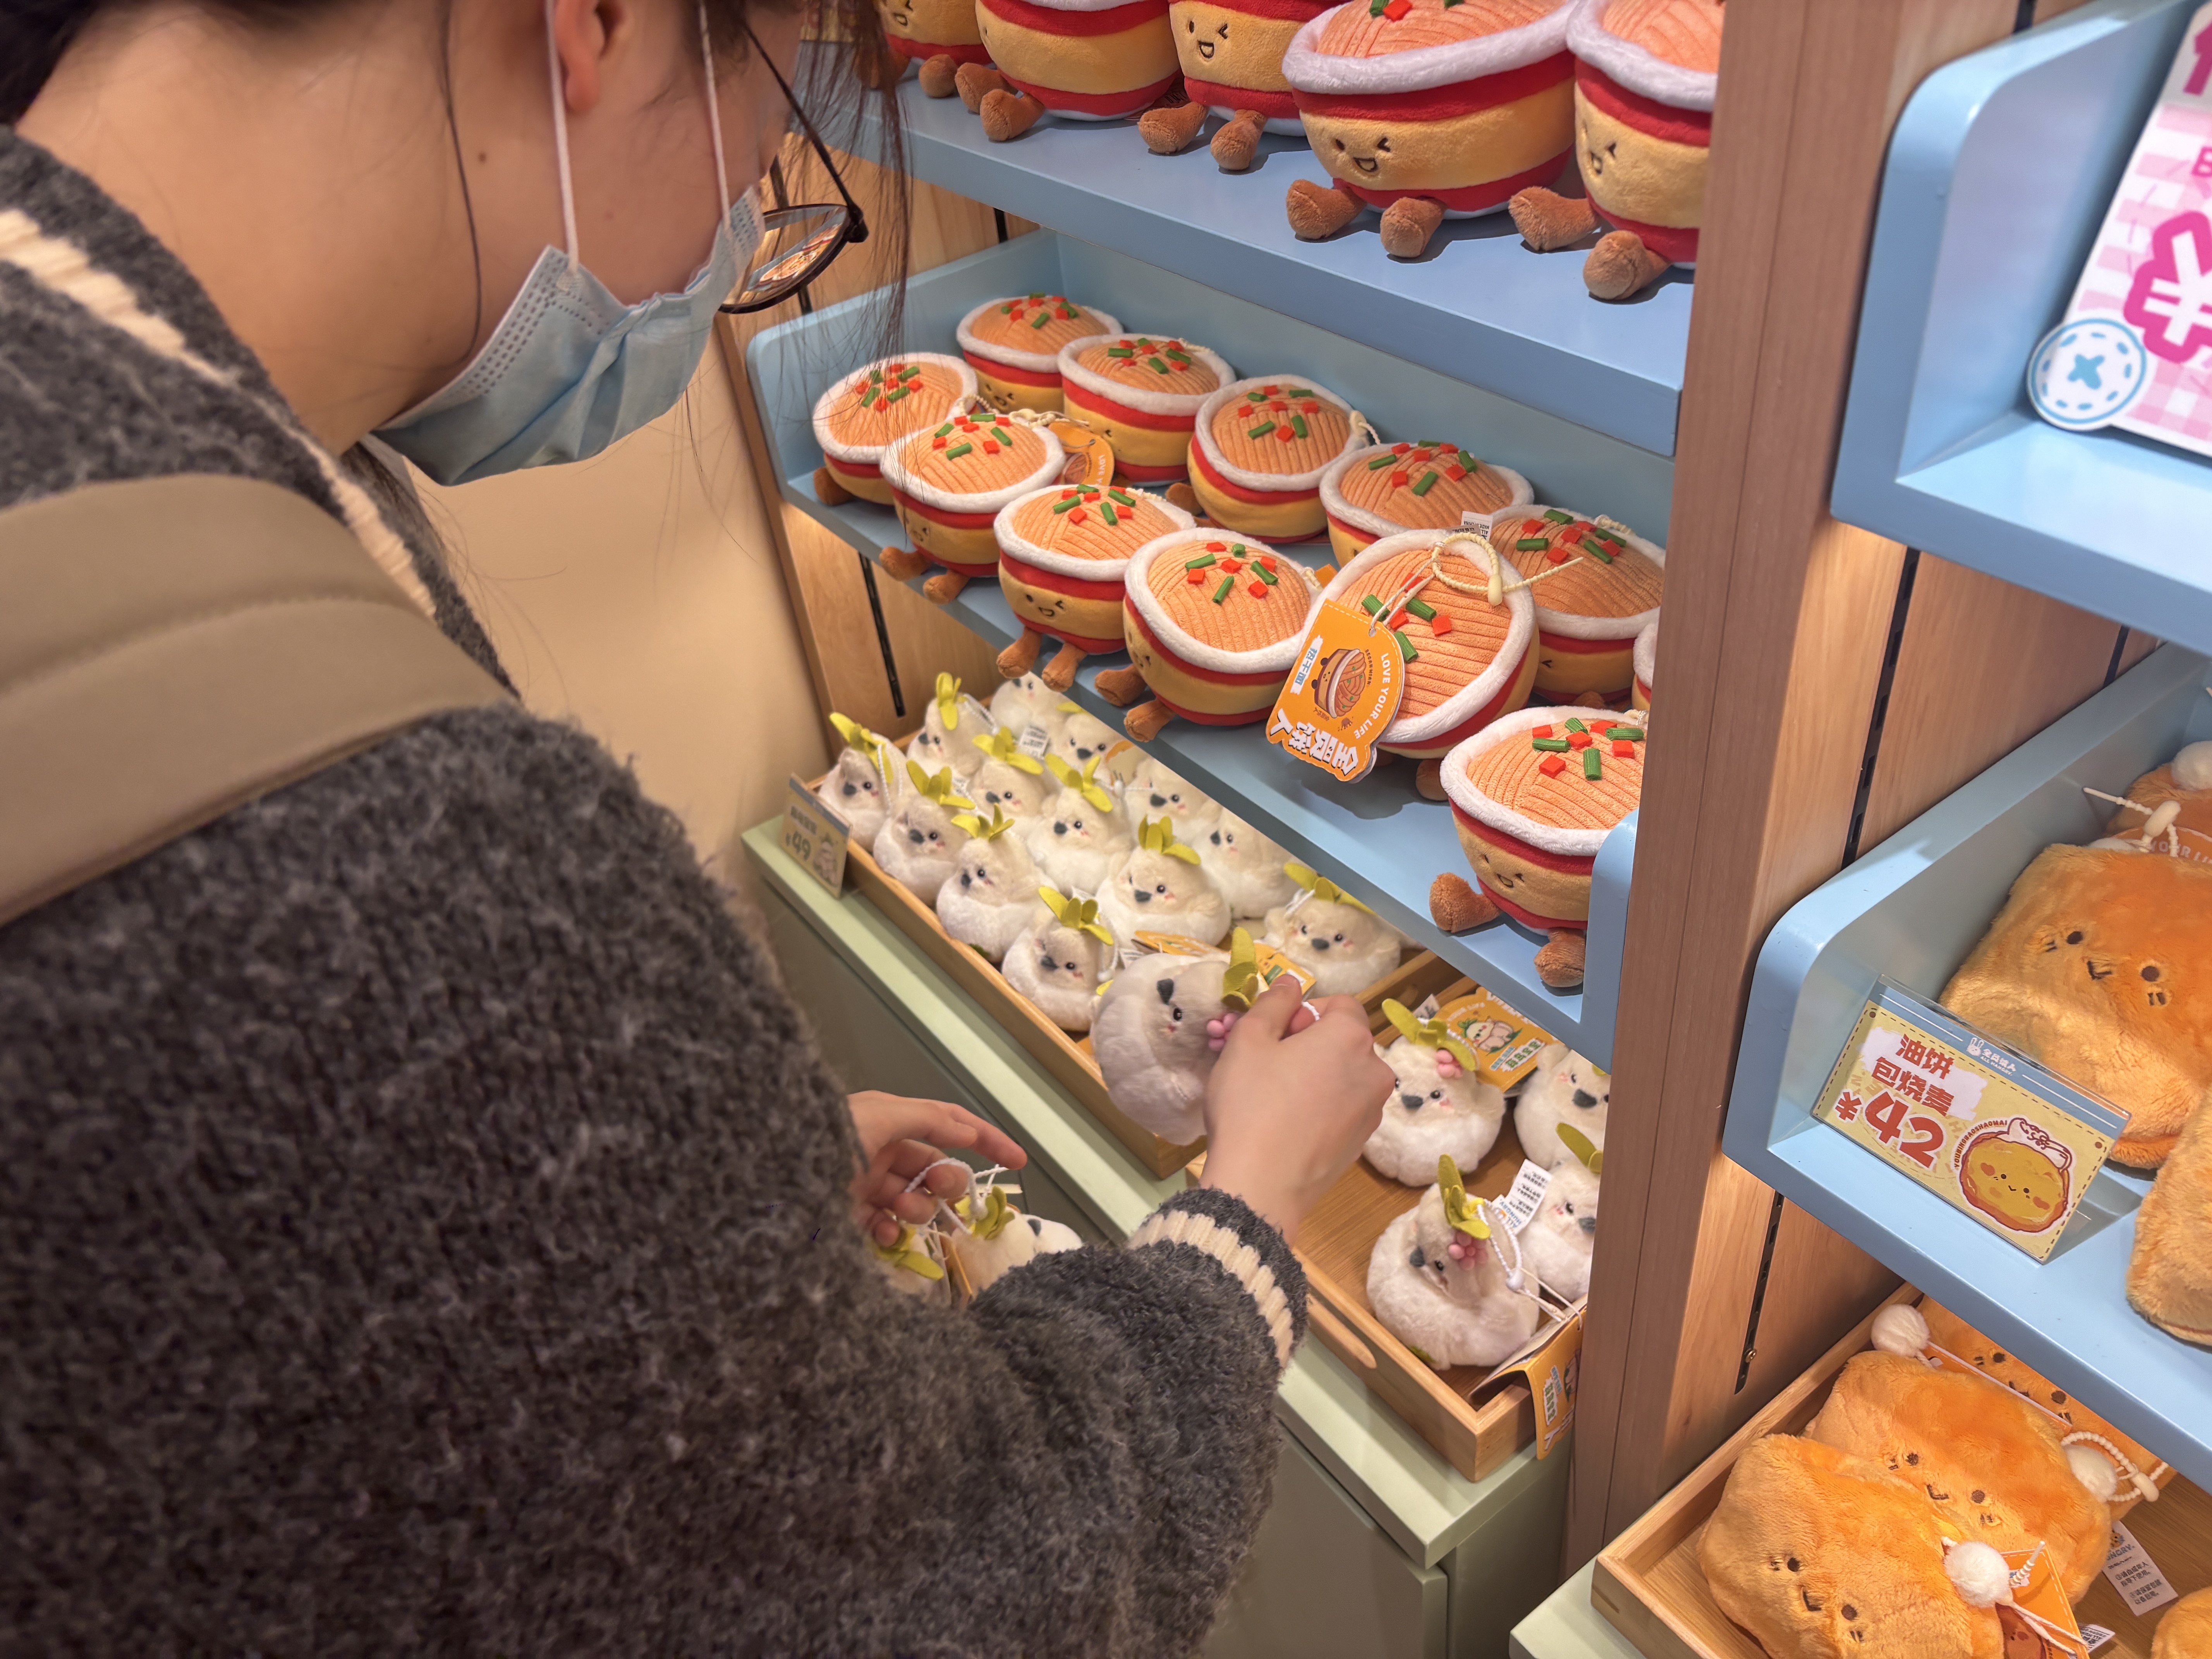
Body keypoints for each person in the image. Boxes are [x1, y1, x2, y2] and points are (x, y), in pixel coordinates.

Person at [0, 0, 1395, 1650]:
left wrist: (701, 1209)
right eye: (771, 152)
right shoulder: (413, 875)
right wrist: (1249, 1199)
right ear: (599, 22)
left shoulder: (104, 412)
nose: (736, 235)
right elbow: (981, 1585)